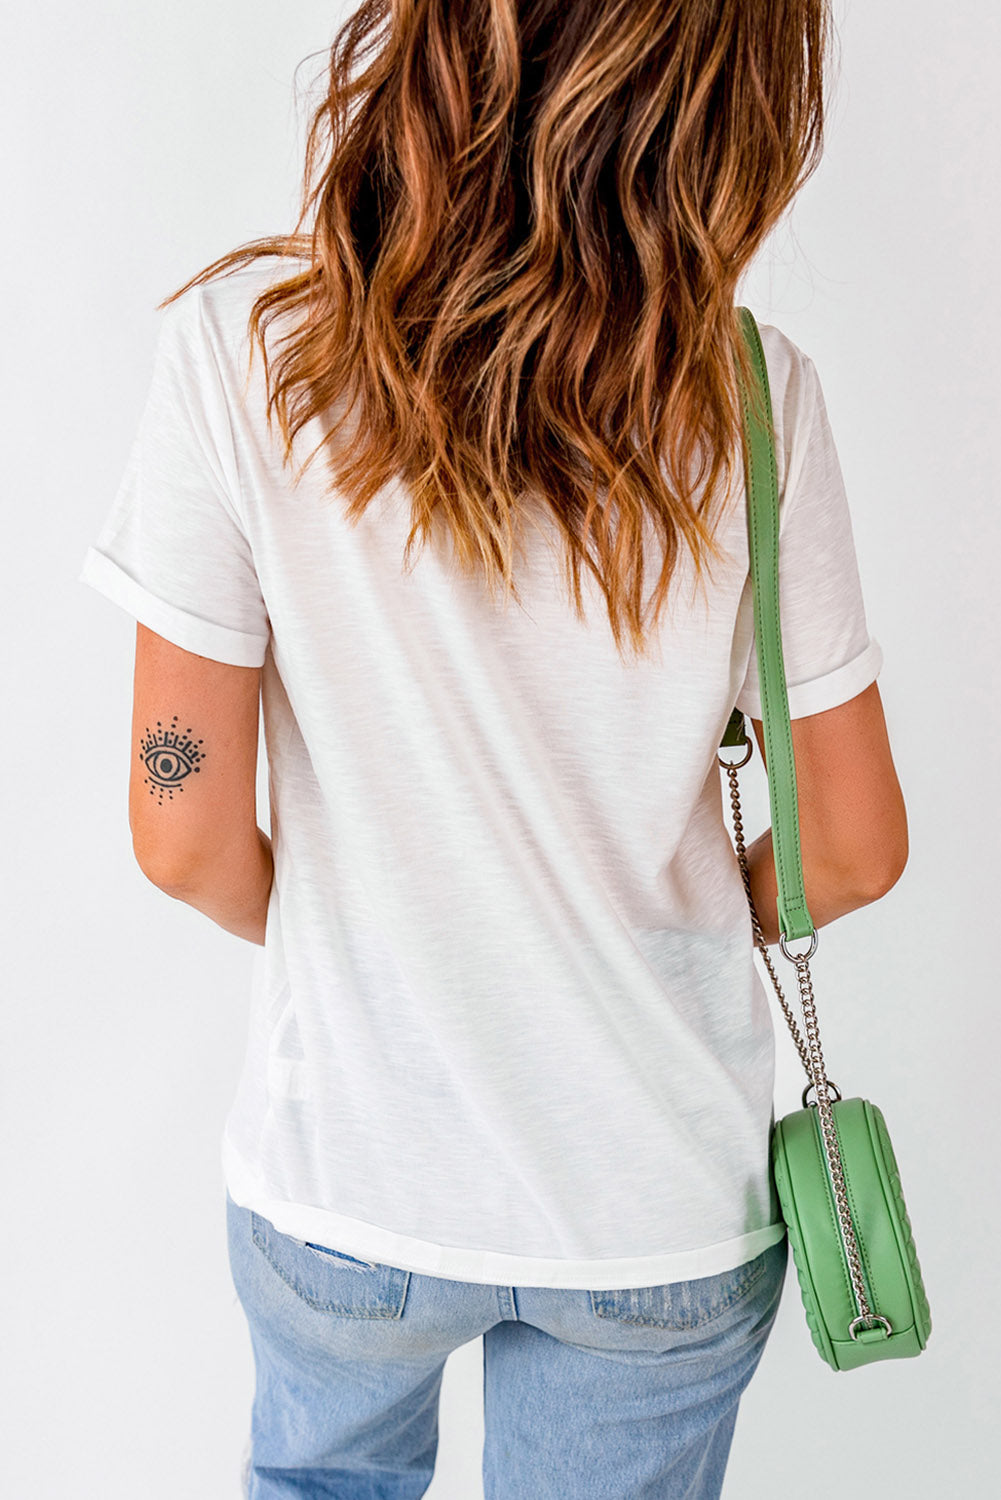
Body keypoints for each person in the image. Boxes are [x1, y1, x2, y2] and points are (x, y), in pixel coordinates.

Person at [78, 1, 908, 1496]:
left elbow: (176, 815)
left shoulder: (240, 358)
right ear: (726, 107)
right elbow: (847, 847)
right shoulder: (753, 403)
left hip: (349, 1185)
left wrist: (378, 929)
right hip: (647, 1201)